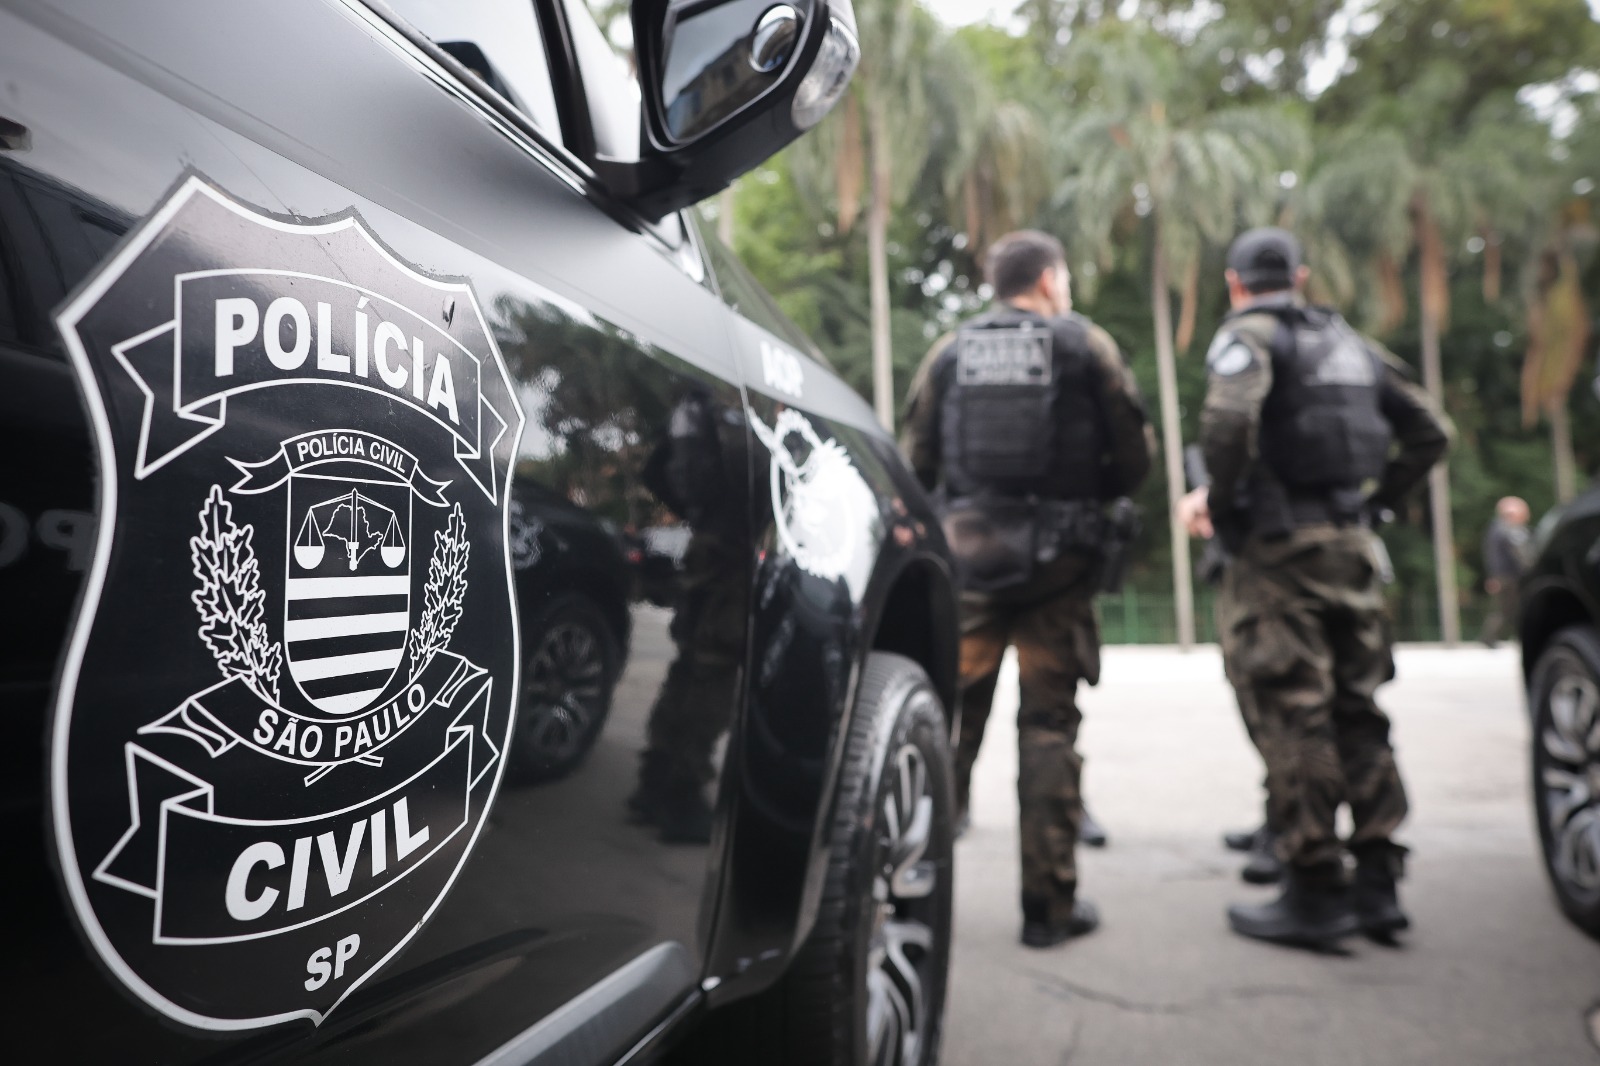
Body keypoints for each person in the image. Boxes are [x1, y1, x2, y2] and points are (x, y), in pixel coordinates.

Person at [1177, 227, 1451, 949]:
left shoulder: (1250, 335)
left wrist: (1220, 499)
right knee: (1359, 710)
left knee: (1297, 713)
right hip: (1350, 547)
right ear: (1299, 275)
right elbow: (1430, 431)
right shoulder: (1350, 344)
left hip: (1278, 554)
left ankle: (1315, 890)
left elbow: (1231, 416)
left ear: (1236, 284)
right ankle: (1379, 886)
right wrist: (1377, 503)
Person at [902, 230, 1154, 947]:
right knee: (1049, 730)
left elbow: (916, 460)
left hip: (969, 570)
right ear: (1047, 280)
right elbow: (1133, 459)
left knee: (948, 731)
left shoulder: (949, 352)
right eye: (1064, 279)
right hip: (1059, 572)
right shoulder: (1084, 345)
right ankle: (1048, 911)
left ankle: (912, 898)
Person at [1480, 496, 1533, 647]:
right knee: (1507, 610)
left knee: (1506, 610)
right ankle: (1490, 638)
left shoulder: (1496, 529)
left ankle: (1491, 638)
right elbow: (1521, 556)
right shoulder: (1509, 530)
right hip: (1508, 577)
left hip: (1502, 576)